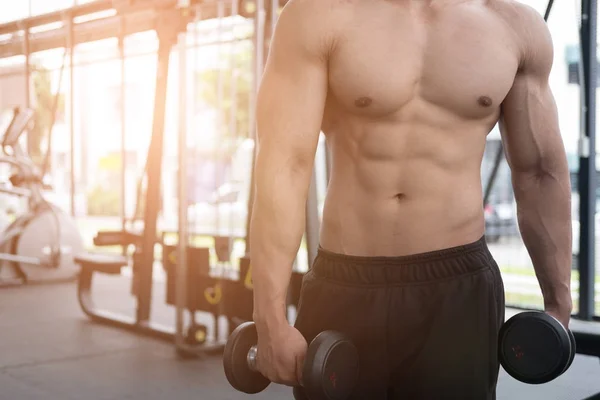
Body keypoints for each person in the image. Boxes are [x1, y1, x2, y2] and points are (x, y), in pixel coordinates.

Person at [248, 0, 573, 398]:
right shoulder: (318, 16)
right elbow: (285, 164)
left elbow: (539, 172)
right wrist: (269, 318)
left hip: (457, 288)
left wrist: (559, 304)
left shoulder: (515, 27)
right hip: (347, 282)